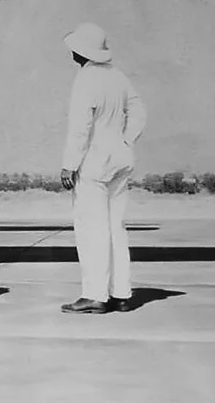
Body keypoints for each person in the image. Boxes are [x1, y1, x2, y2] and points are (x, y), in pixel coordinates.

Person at [59, 22, 148, 314]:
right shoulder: (118, 76)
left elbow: (81, 127)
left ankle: (95, 294)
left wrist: (69, 165)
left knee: (91, 228)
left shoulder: (86, 80)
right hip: (121, 156)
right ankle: (121, 292)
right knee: (115, 227)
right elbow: (138, 110)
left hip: (95, 161)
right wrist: (126, 139)